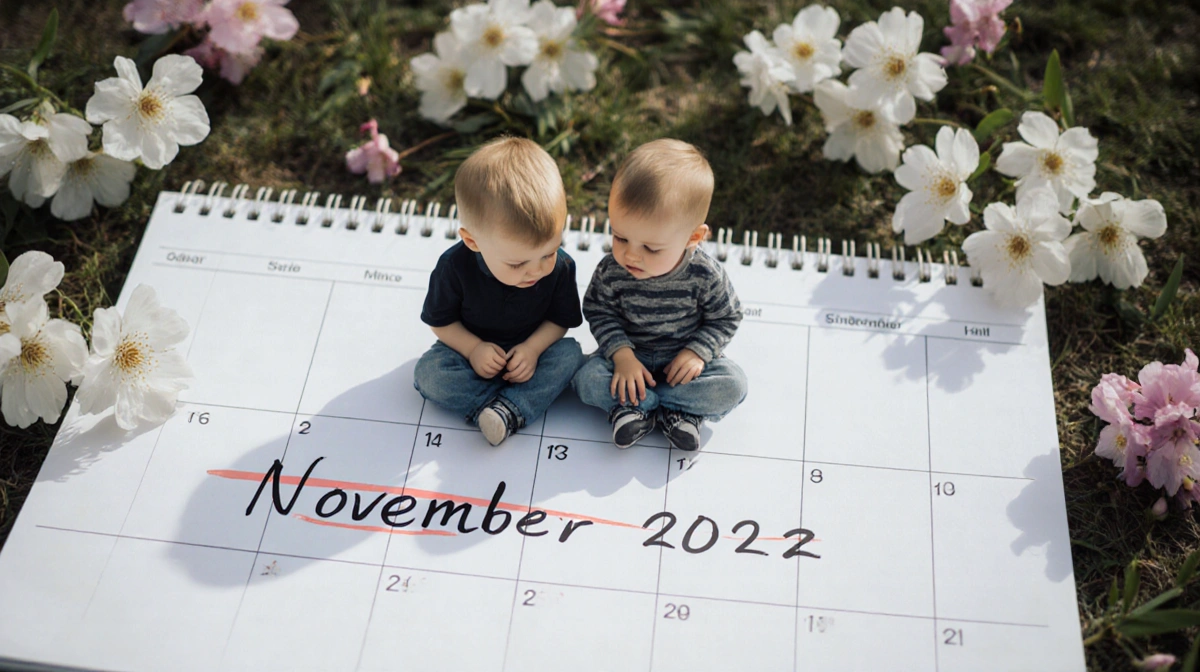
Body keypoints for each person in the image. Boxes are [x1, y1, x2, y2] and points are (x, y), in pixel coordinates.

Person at [571, 139, 748, 451]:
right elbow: (599, 310)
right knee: (585, 377)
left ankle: (660, 408)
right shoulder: (612, 270)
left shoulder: (704, 274)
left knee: (733, 384)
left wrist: (697, 352)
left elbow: (727, 316)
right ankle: (644, 407)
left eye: (651, 248)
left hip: (681, 363)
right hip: (629, 359)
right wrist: (622, 355)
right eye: (620, 237)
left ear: (693, 238)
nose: (631, 255)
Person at [414, 137, 584, 446]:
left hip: (531, 349)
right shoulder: (454, 267)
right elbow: (440, 322)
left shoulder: (560, 267)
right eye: (517, 263)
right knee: (429, 374)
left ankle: (509, 410)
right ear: (473, 241)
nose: (536, 270)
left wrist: (532, 349)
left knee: (570, 355)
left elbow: (560, 321)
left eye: (549, 252)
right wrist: (473, 349)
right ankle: (491, 405)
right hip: (470, 349)